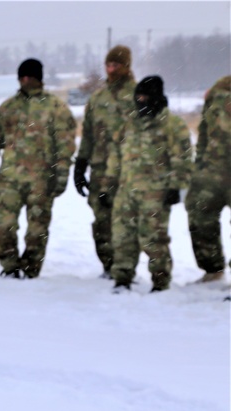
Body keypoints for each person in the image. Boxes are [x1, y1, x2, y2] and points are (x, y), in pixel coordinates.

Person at [0, 58, 76, 279]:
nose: (26, 81)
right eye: (22, 77)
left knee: (37, 230)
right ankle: (10, 265)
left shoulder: (55, 108)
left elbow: (66, 144)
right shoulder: (8, 107)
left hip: (42, 180)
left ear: (39, 78)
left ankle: (31, 268)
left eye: (30, 77)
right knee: (2, 224)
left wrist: (62, 173)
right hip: (10, 179)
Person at [103, 75, 193, 292]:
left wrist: (176, 187)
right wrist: (108, 186)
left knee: (153, 239)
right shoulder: (129, 123)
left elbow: (183, 158)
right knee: (122, 236)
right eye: (138, 97)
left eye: (144, 97)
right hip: (126, 191)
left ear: (154, 97)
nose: (140, 101)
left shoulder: (172, 125)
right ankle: (122, 278)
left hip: (155, 193)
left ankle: (160, 282)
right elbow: (116, 155)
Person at [74, 45, 137, 278]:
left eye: (116, 65)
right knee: (101, 220)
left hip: (128, 169)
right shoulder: (98, 98)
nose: (111, 69)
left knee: (124, 220)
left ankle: (124, 267)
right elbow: (88, 134)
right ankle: (108, 265)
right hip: (99, 169)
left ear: (126, 66)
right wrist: (80, 165)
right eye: (108, 65)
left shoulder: (137, 95)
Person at [186, 75, 231, 284]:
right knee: (198, 213)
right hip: (213, 169)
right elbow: (204, 132)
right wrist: (200, 164)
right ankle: (212, 269)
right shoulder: (217, 91)